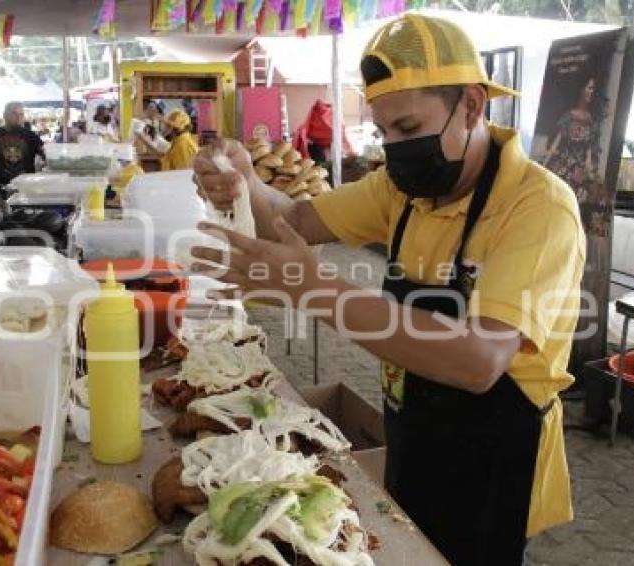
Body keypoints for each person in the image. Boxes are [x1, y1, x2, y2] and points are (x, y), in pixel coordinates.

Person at [190, 14, 583, 566]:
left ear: (471, 104)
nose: (394, 149)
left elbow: (480, 359)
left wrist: (316, 291)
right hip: (413, 434)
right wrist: (245, 180)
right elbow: (297, 220)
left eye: (408, 128)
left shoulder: (537, 208)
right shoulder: (403, 190)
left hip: (494, 467)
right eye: (384, 132)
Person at [542, 77, 601, 194]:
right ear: (581, 89)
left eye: (593, 88)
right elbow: (556, 143)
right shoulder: (569, 116)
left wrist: (589, 171)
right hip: (563, 168)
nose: (592, 91)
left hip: (578, 174)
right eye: (589, 88)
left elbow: (588, 148)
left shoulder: (590, 119)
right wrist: (543, 166)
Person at [0, 102, 45, 199]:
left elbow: (45, 154)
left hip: (25, 187)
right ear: (5, 115)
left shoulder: (31, 136)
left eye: (21, 114)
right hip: (0, 188)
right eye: (14, 114)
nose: (18, 118)